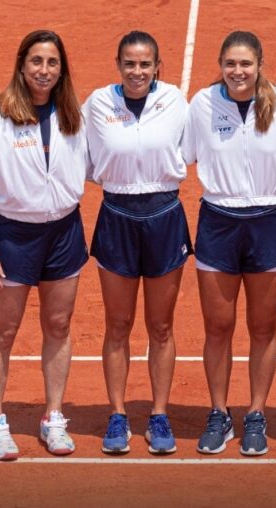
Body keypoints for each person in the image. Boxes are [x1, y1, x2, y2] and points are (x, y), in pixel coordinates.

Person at [0, 30, 88, 460]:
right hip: (13, 236)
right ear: (21, 65)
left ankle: (53, 417)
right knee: (4, 331)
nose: (44, 70)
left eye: (52, 62)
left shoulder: (74, 114)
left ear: (62, 68)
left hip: (64, 233)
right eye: (36, 61)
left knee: (58, 326)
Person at [181, 31, 276, 456]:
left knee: (263, 328)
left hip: (268, 220)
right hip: (218, 221)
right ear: (220, 64)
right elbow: (182, 155)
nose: (238, 72)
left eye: (245, 64)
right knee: (218, 327)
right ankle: (218, 412)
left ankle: (255, 414)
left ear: (260, 64)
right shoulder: (201, 103)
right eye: (230, 64)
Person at [84, 31, 191, 455]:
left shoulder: (177, 102)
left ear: (157, 66)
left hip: (165, 215)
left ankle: (160, 414)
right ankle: (117, 414)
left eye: (145, 64)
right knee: (118, 325)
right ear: (118, 64)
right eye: (130, 63)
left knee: (161, 326)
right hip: (117, 215)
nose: (137, 72)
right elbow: (65, 129)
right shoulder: (97, 103)